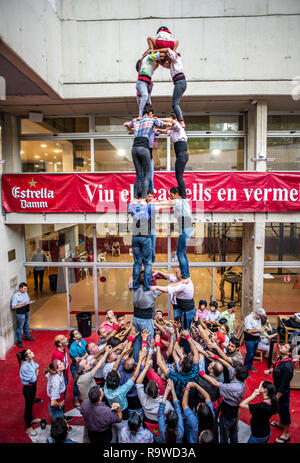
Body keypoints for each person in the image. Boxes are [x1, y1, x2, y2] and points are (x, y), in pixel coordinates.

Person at [124, 109, 169, 199]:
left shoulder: (138, 122)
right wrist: (158, 119)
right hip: (144, 148)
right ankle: (144, 198)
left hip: (134, 148)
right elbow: (168, 124)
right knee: (147, 175)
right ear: (149, 114)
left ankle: (135, 197)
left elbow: (125, 124)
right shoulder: (151, 120)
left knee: (138, 175)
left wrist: (136, 119)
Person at [200, 364, 249, 443]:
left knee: (224, 434)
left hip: (228, 413)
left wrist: (202, 373)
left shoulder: (233, 387)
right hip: (234, 410)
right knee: (233, 431)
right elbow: (228, 366)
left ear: (235, 373)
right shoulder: (241, 380)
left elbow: (215, 383)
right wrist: (217, 358)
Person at [135, 355, 174, 441]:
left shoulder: (143, 399)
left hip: (148, 424)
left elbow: (138, 382)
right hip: (161, 425)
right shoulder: (166, 404)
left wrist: (146, 367)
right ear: (159, 391)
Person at [104, 348, 145, 420]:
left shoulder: (106, 384)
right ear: (118, 381)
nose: (118, 372)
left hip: (112, 404)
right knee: (125, 419)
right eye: (118, 374)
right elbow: (135, 376)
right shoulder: (121, 391)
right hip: (123, 409)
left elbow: (114, 368)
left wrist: (122, 354)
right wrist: (141, 358)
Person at [265, 343, 294, 443]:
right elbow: (276, 367)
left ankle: (286, 434)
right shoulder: (281, 359)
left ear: (289, 353)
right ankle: (281, 424)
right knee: (280, 410)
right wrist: (270, 370)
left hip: (282, 393)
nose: (282, 346)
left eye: (285, 347)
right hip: (277, 389)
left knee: (284, 411)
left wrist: (275, 398)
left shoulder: (287, 367)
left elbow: (284, 387)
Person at [152, 267, 195, 331]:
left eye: (176, 273)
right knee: (178, 326)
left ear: (181, 274)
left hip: (187, 311)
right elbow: (169, 276)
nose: (175, 274)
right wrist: (159, 272)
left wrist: (155, 287)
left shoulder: (184, 284)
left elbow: (167, 289)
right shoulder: (182, 279)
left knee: (185, 330)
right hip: (181, 308)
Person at [131, 272, 161, 361]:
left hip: (136, 318)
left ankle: (136, 363)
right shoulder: (151, 291)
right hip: (146, 320)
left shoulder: (134, 288)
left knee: (137, 341)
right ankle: (147, 365)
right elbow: (163, 290)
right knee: (148, 343)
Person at [158, 116, 188, 197]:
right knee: (178, 176)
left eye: (171, 121)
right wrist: (155, 130)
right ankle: (182, 194)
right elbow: (163, 131)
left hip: (182, 154)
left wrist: (158, 119)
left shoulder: (179, 127)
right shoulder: (172, 131)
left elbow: (171, 120)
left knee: (179, 176)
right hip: (180, 155)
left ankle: (184, 196)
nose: (169, 124)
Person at [17, 349, 42, 437]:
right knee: (28, 407)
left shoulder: (31, 360)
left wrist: (36, 372)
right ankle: (28, 427)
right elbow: (34, 377)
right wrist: (36, 373)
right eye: (30, 352)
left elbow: (36, 366)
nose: (33, 352)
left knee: (31, 404)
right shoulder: (24, 367)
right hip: (28, 389)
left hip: (32, 386)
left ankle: (31, 419)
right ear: (26, 356)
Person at [135, 51, 165, 117]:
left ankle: (146, 117)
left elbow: (156, 65)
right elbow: (141, 63)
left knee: (150, 108)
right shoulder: (142, 69)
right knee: (145, 95)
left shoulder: (149, 73)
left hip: (146, 93)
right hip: (141, 93)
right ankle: (140, 116)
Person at [158, 379, 184, 443]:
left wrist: (167, 391)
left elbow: (160, 413)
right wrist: (172, 389)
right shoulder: (180, 432)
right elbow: (178, 409)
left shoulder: (163, 430)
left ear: (166, 420)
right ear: (177, 420)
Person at [12, 282, 35, 347]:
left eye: (26, 289)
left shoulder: (25, 293)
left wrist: (29, 302)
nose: (25, 290)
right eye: (24, 289)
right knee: (20, 327)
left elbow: (28, 299)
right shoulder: (15, 296)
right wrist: (23, 305)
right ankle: (19, 341)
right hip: (20, 313)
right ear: (20, 288)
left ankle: (27, 336)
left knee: (26, 325)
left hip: (27, 311)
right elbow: (13, 307)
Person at [68, 329, 88, 407]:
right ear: (73, 338)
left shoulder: (83, 341)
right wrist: (84, 357)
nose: (79, 333)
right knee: (77, 383)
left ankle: (80, 395)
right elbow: (77, 360)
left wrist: (83, 358)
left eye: (78, 332)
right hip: (75, 367)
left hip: (84, 364)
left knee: (83, 381)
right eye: (76, 333)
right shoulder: (72, 347)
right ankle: (75, 398)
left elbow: (87, 352)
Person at [244, 308, 266, 372]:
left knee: (253, 354)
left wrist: (262, 329)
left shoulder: (258, 318)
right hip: (250, 339)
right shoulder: (248, 318)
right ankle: (245, 370)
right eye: (260, 316)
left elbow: (258, 327)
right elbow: (249, 331)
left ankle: (250, 365)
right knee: (249, 354)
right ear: (257, 314)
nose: (260, 318)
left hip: (256, 339)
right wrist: (259, 330)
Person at [146, 190, 157, 263]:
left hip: (152, 228)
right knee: (147, 247)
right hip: (145, 229)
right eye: (149, 196)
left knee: (152, 247)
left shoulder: (153, 204)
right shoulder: (143, 204)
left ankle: (152, 262)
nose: (150, 198)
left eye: (151, 196)